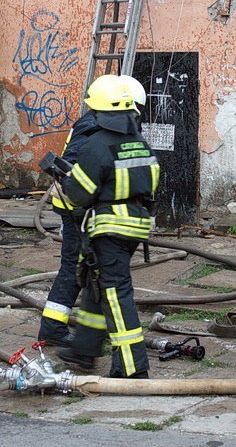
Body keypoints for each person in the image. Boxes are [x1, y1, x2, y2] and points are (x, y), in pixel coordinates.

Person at [55, 75, 159, 378]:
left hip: (109, 229)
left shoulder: (96, 144)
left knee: (115, 293)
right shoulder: (140, 143)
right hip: (135, 227)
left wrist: (67, 179)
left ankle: (132, 366)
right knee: (96, 287)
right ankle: (83, 352)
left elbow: (79, 195)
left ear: (99, 111)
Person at [38, 75, 147, 347]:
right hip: (76, 208)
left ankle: (85, 337)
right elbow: (74, 164)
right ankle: (52, 330)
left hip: (82, 206)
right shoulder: (93, 126)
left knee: (86, 271)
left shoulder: (96, 121)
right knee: (74, 269)